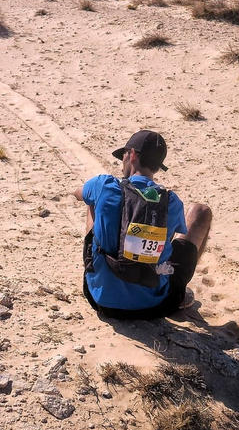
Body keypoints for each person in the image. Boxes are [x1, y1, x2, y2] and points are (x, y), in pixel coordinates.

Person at [73, 130, 212, 319]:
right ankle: (178, 292)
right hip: (155, 305)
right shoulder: (171, 202)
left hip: (101, 299)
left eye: (123, 155)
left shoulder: (104, 185)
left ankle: (100, 274)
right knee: (200, 212)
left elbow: (78, 193)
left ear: (132, 155)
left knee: (92, 200)